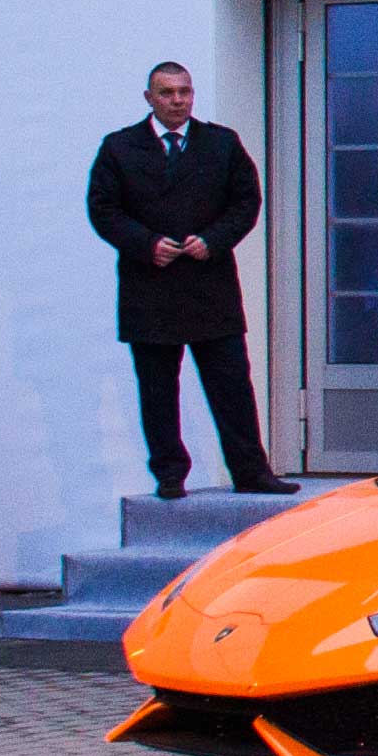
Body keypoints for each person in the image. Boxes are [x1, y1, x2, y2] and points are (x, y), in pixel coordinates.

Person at [88, 61, 283, 499]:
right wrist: (146, 244)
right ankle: (170, 474)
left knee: (232, 385)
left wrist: (214, 240)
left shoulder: (222, 144)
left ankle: (251, 472)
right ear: (149, 98)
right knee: (157, 390)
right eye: (167, 93)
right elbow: (103, 209)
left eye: (184, 92)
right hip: (148, 289)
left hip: (211, 287)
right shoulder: (120, 148)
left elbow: (246, 202)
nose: (177, 101)